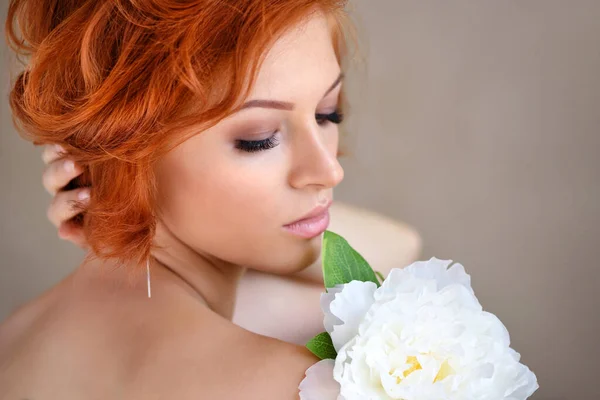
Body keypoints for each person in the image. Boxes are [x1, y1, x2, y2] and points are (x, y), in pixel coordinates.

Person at [1, 0, 420, 398]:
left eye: (327, 114)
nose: (330, 170)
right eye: (258, 140)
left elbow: (399, 249)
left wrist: (115, 204)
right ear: (130, 150)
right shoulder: (303, 385)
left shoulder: (16, 336)